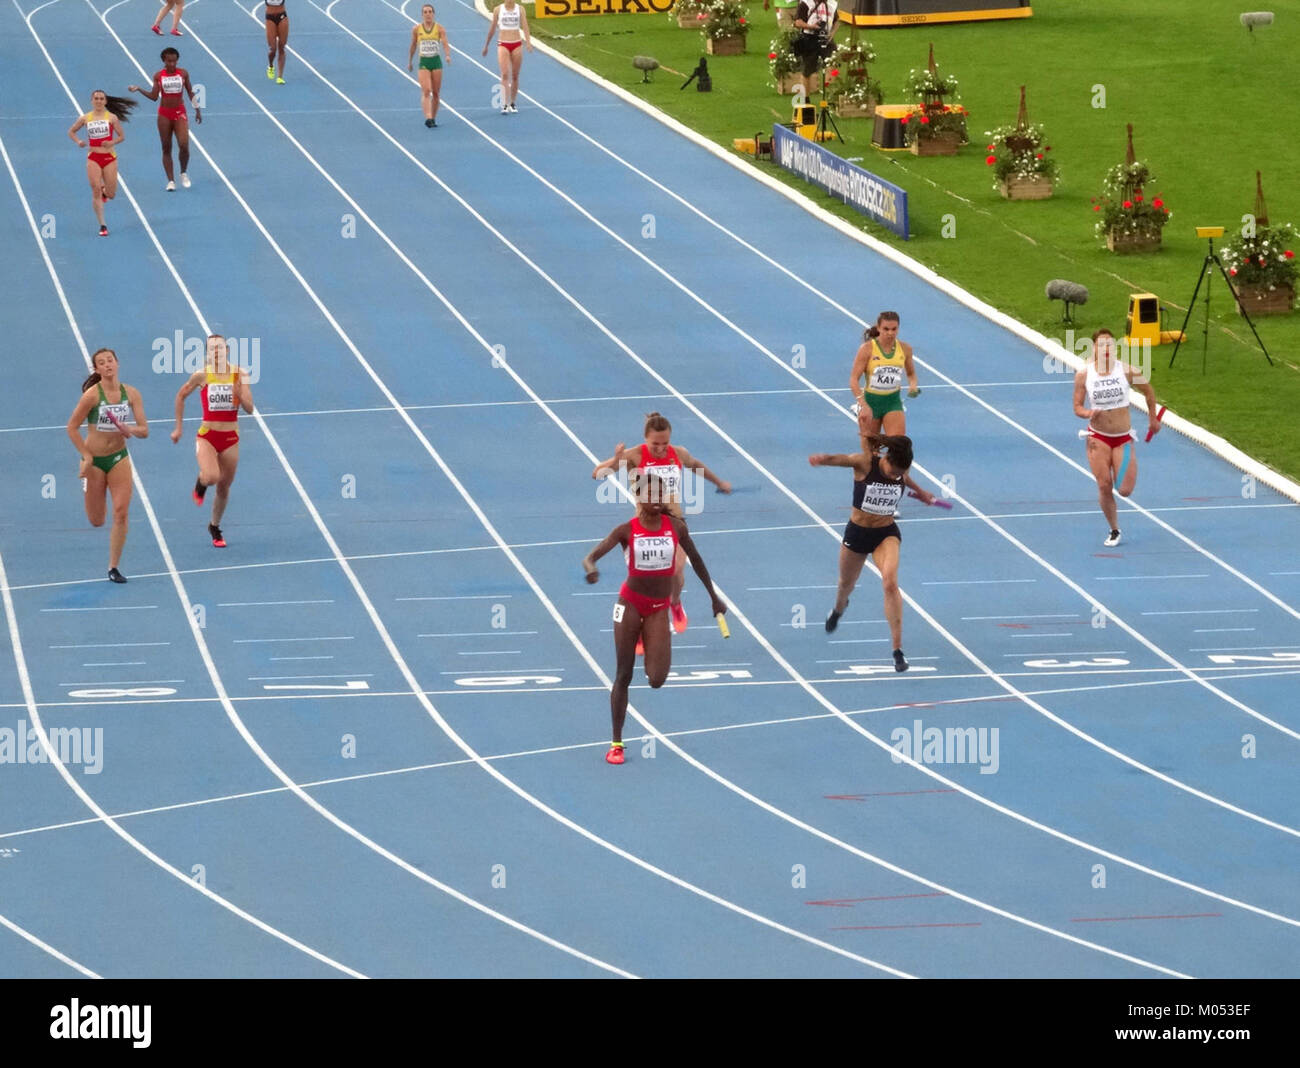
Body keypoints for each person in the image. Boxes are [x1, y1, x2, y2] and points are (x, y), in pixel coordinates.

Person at [582, 471, 727, 765]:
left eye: (662, 495)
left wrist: (713, 597)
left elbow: (697, 561)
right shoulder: (626, 530)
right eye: (651, 495)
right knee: (624, 674)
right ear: (639, 498)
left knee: (657, 679)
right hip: (630, 605)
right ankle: (617, 743)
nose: (658, 500)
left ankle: (647, 637)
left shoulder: (676, 527)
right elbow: (590, 557)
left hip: (658, 607)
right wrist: (591, 570)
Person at [592, 412, 732, 634]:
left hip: (674, 522)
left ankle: (675, 603)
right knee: (644, 578)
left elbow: (695, 465)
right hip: (645, 526)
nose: (660, 448)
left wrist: (719, 481)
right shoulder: (635, 455)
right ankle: (640, 619)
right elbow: (597, 474)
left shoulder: (678, 454)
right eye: (655, 444)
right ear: (646, 439)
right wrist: (616, 460)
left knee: (676, 571)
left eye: (664, 443)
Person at [809, 433, 934, 672]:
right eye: (893, 471)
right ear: (886, 458)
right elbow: (842, 459)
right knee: (845, 585)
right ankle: (838, 608)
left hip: (885, 534)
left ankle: (897, 650)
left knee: (890, 583)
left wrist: (922, 492)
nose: (895, 476)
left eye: (900, 473)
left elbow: (904, 477)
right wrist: (823, 459)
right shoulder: (866, 463)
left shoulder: (900, 471)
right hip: (857, 533)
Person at [65, 349, 149, 583]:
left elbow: (145, 430)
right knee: (97, 520)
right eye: (101, 363)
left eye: (110, 360)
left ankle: (113, 567)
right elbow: (71, 427)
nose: (107, 365)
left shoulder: (131, 394)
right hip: (95, 461)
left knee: (121, 512)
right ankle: (86, 481)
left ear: (117, 363)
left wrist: (129, 429)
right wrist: (85, 455)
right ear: (97, 369)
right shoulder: (92, 396)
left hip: (118, 457)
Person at [1073, 327, 1161, 547]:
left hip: (1123, 438)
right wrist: (1089, 413)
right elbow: (1077, 407)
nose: (1106, 349)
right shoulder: (1084, 374)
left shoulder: (1127, 370)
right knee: (1104, 484)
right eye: (1101, 345)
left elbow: (1149, 391)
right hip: (1097, 437)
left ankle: (1117, 512)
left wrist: (1153, 419)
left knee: (1125, 490)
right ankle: (1114, 529)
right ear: (1093, 348)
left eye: (1110, 345)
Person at [170, 335, 254, 549]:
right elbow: (180, 396)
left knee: (224, 487)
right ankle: (201, 482)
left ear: (227, 349)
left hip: (230, 438)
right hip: (208, 435)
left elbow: (250, 409)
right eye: (211, 349)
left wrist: (240, 395)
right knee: (212, 476)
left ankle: (214, 526)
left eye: (219, 347)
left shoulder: (239, 374)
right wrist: (178, 427)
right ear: (208, 354)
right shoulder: (202, 375)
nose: (216, 351)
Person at [128, 47, 201, 192]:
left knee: (184, 144)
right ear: (164, 61)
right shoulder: (158, 76)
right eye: (169, 61)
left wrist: (197, 110)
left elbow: (190, 91)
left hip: (180, 112)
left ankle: (183, 172)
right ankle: (171, 181)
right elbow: (154, 97)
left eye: (174, 61)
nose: (172, 64)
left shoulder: (183, 74)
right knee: (166, 147)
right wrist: (139, 89)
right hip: (164, 115)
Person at [67, 90, 134, 237]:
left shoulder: (112, 118)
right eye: (96, 98)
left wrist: (112, 141)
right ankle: (102, 225)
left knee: (111, 194)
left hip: (109, 157)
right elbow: (71, 131)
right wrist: (78, 141)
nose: (98, 101)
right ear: (92, 101)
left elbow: (122, 136)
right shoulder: (85, 118)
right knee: (95, 189)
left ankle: (105, 192)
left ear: (105, 101)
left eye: (101, 98)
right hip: (93, 157)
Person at [849, 311, 919, 448]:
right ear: (879, 328)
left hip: (892, 402)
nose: (890, 333)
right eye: (886, 329)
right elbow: (853, 380)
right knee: (871, 454)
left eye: (894, 329)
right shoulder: (867, 349)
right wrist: (863, 405)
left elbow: (911, 374)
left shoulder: (905, 349)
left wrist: (913, 385)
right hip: (871, 403)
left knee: (899, 448)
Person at [482, 0, 532, 114]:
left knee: (515, 75)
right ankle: (504, 104)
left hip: (517, 44)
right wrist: (486, 45)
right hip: (503, 44)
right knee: (504, 74)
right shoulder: (498, 10)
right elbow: (492, 28)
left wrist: (528, 42)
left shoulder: (520, 9)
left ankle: (512, 103)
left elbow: (525, 26)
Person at [407, 5, 450, 128]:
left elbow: (446, 43)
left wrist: (447, 55)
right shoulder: (417, 29)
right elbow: (413, 45)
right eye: (425, 12)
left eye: (430, 12)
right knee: (426, 91)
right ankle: (428, 117)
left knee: (436, 93)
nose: (428, 14)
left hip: (436, 62)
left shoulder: (440, 29)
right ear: (422, 14)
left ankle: (433, 118)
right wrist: (410, 61)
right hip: (424, 62)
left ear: (433, 14)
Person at [792, 0, 837, 78]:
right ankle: (809, 88)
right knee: (809, 69)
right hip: (809, 38)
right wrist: (811, 27)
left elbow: (837, 21)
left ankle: (831, 87)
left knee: (832, 65)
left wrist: (832, 34)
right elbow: (797, 22)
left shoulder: (832, 4)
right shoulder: (806, 3)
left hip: (826, 38)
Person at [265, 0, 289, 84]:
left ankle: (280, 77)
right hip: (270, 17)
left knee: (282, 47)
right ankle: (271, 66)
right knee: (273, 49)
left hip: (282, 16)